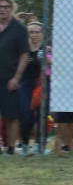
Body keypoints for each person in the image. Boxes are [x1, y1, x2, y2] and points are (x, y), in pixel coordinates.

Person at [0, 0, 32, 155]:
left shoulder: (19, 28)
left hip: (9, 79)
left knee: (11, 115)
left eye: (6, 7)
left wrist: (16, 78)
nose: (3, 10)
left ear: (12, 8)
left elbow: (24, 55)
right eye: (1, 7)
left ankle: (11, 149)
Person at [17, 19, 46, 155]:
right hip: (25, 84)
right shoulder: (22, 50)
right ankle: (24, 144)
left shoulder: (46, 49)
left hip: (42, 85)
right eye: (31, 32)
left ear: (42, 34)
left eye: (37, 32)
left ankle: (39, 145)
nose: (34, 35)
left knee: (42, 115)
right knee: (25, 115)